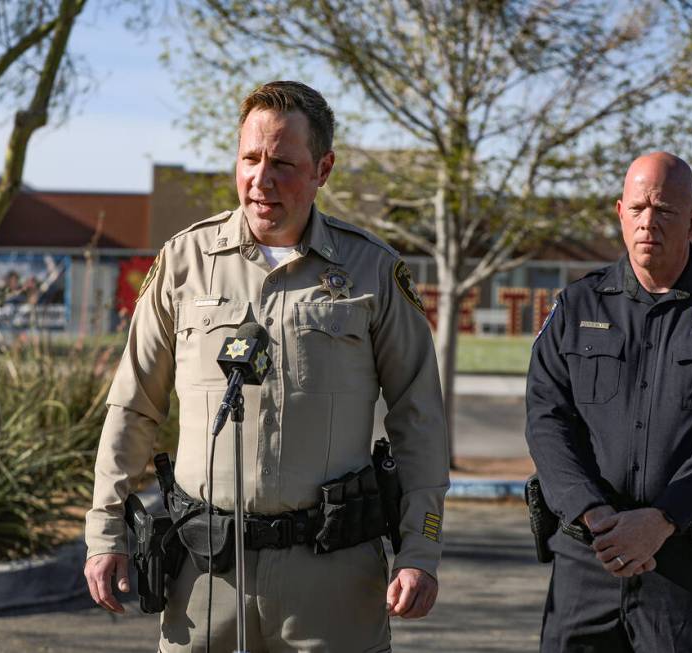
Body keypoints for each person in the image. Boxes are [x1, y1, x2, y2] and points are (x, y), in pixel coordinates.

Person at [84, 81, 450, 651]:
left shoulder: (372, 270)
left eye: (283, 162)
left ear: (323, 168)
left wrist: (421, 550)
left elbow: (418, 417)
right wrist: (104, 532)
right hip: (205, 576)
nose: (262, 179)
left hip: (331, 579)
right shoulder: (184, 261)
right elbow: (134, 404)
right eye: (250, 158)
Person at [526, 152, 692, 652]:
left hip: (684, 563)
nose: (647, 222)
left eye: (664, 210)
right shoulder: (577, 305)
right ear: (619, 212)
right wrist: (594, 516)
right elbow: (546, 420)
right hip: (588, 555)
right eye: (637, 208)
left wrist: (662, 519)